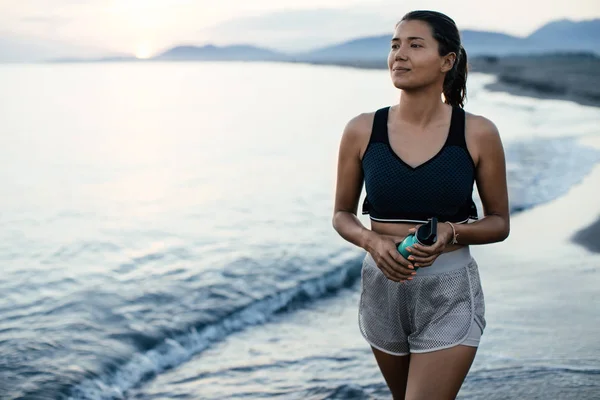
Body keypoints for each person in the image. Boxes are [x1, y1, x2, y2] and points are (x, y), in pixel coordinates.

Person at [331, 10, 510, 400]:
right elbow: (341, 214)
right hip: (382, 288)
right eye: (395, 45)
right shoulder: (362, 129)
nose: (400, 55)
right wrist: (371, 242)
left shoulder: (478, 132)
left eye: (415, 45)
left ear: (447, 61)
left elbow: (499, 223)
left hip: (449, 291)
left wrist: (451, 232)